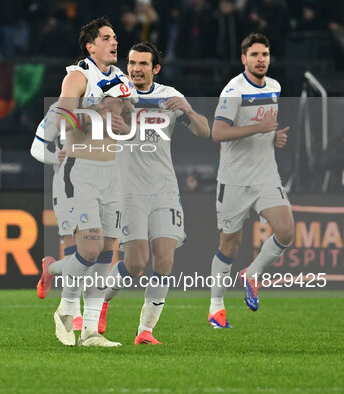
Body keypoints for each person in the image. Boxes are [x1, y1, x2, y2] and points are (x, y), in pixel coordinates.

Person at [99, 42, 210, 344]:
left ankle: (145, 330)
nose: (136, 69)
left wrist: (187, 110)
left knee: (164, 261)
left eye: (143, 64)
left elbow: (204, 131)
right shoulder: (116, 96)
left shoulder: (169, 97)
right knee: (135, 264)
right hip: (128, 192)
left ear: (155, 68)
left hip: (164, 190)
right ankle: (102, 302)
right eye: (132, 63)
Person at [51, 17, 137, 347]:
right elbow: (62, 115)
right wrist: (96, 115)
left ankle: (90, 331)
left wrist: (121, 118)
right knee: (89, 248)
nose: (114, 42)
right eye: (106, 38)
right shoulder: (79, 76)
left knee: (105, 256)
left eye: (115, 37)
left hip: (112, 173)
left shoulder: (120, 79)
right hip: (81, 171)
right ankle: (66, 307)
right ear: (91, 46)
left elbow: (127, 120)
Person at [208, 33, 293, 329]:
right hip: (234, 180)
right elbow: (217, 133)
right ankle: (216, 308)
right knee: (229, 245)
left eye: (265, 55)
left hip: (266, 176)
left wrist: (274, 137)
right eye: (255, 55)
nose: (261, 60)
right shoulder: (233, 90)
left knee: (286, 232)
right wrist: (259, 128)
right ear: (243, 59)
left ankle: (252, 273)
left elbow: (265, 132)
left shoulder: (274, 87)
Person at [30, 104, 83, 331]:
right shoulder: (58, 110)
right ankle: (76, 313)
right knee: (76, 251)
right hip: (66, 188)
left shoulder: (107, 103)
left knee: (94, 252)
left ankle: (51, 269)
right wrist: (55, 156)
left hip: (100, 187)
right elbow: (35, 148)